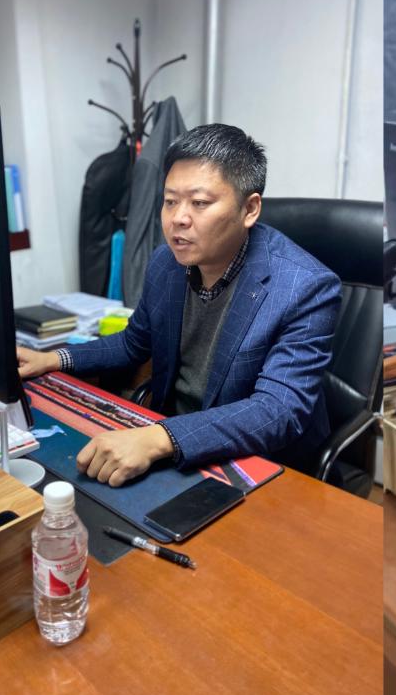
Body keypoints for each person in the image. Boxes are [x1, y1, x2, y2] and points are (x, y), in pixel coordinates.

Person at [18, 124, 341, 486]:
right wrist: (53, 359)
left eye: (199, 203)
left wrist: (159, 438)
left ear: (249, 209)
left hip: (265, 465)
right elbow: (133, 343)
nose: (178, 219)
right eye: (170, 201)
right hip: (177, 447)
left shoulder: (305, 286)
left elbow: (277, 411)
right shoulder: (166, 262)